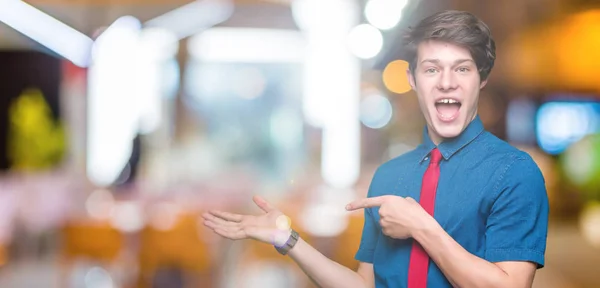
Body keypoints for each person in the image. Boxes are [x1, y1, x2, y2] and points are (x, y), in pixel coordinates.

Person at [202, 10, 549, 288]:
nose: (446, 81)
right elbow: (363, 283)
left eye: (462, 68)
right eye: (432, 69)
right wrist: (287, 239)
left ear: (482, 78)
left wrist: (421, 226)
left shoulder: (514, 172)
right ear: (413, 79)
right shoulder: (389, 175)